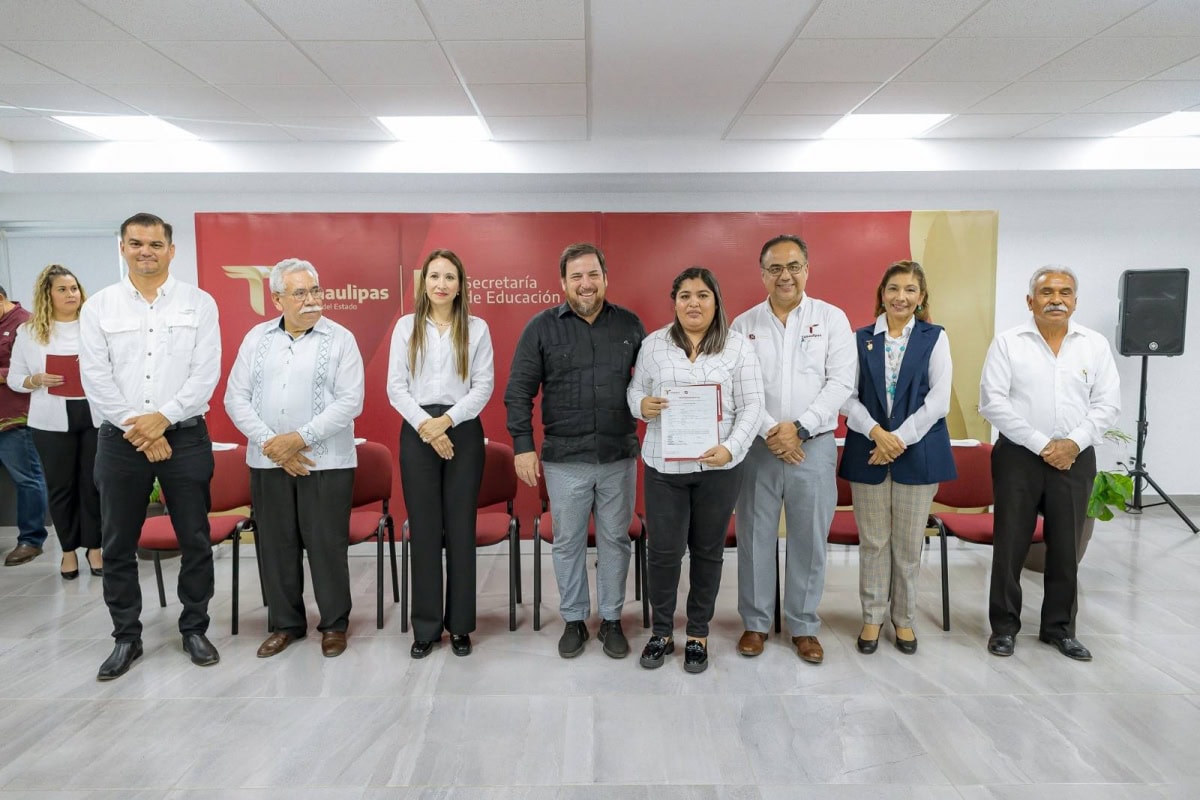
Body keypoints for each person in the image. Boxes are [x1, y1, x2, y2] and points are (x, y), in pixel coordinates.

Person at [79, 212, 222, 681]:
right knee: (118, 542)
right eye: (137, 243)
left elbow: (205, 374)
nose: (146, 252)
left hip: (185, 436)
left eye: (156, 244)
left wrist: (162, 420)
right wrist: (139, 428)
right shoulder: (99, 307)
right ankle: (126, 636)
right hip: (120, 440)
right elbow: (95, 377)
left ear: (171, 251)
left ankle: (194, 628)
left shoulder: (198, 303)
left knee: (195, 538)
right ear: (122, 247)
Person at [505, 242, 646, 659]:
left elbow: (652, 383)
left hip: (618, 456)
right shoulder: (541, 328)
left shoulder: (630, 325)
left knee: (615, 540)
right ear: (563, 282)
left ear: (605, 278)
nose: (586, 283)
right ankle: (574, 620)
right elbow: (518, 392)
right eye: (577, 276)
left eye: (593, 275)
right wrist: (523, 446)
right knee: (568, 542)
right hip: (565, 460)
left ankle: (612, 620)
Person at [225, 258, 364, 659]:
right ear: (277, 299)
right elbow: (235, 398)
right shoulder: (256, 338)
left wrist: (299, 439)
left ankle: (334, 624)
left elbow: (350, 401)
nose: (311, 299)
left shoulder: (341, 339)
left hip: (326, 463)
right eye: (300, 292)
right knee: (276, 546)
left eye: (315, 290)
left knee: (326, 546)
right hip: (268, 461)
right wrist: (272, 444)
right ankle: (286, 624)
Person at [980, 265, 1120, 662]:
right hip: (1018, 457)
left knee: (1066, 547)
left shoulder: (1094, 345)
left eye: (1065, 292)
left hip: (1075, 458)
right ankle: (1004, 628)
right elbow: (993, 402)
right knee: (1010, 545)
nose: (1056, 299)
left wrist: (1072, 444)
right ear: (1030, 301)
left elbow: (1107, 404)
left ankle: (1059, 629)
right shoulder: (1008, 343)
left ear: (1075, 301)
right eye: (1046, 292)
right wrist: (1044, 445)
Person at [628, 267, 763, 673]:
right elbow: (635, 390)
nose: (693, 303)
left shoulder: (737, 347)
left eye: (702, 295)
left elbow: (753, 406)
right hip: (664, 466)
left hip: (718, 468)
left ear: (716, 302)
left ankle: (698, 633)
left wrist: (730, 448)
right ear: (674, 302)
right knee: (663, 552)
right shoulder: (653, 345)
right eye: (685, 295)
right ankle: (662, 632)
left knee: (707, 551)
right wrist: (641, 406)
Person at [730, 235, 855, 664]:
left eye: (794, 266)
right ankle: (756, 623)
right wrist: (773, 431)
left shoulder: (831, 318)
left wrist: (799, 429)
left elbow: (840, 383)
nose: (785, 275)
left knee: (809, 539)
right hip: (758, 446)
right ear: (762, 273)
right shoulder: (743, 325)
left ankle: (803, 625)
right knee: (754, 536)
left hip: (813, 446)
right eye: (775, 268)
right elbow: (740, 388)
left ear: (807, 269)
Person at [838, 260, 956, 655]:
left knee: (907, 546)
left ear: (921, 297)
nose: (900, 297)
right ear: (882, 294)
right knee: (873, 543)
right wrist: (877, 433)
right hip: (868, 449)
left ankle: (903, 620)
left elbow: (938, 401)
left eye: (910, 289)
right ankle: (872, 618)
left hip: (917, 452)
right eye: (893, 288)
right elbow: (845, 395)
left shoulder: (934, 337)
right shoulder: (860, 339)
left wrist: (897, 440)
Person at [387, 249, 494, 659]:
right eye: (434, 276)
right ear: (424, 282)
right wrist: (427, 427)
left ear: (460, 285)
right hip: (417, 430)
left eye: (450, 277)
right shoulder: (405, 327)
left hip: (462, 429)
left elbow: (483, 387)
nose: (441, 284)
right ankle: (427, 627)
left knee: (461, 529)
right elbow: (396, 387)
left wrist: (445, 422)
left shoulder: (477, 329)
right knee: (425, 531)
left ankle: (461, 625)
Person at [8, 265, 103, 580]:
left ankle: (94, 548)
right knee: (61, 488)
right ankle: (68, 551)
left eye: (74, 288)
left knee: (92, 485)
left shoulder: (96, 325)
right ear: (47, 295)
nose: (71, 294)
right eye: (62, 289)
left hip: (94, 415)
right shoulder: (29, 332)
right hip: (49, 420)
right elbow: (15, 378)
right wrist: (35, 379)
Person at [0, 282, 50, 567]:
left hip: (14, 417)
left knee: (27, 478)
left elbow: (37, 368)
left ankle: (31, 540)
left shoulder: (26, 324)